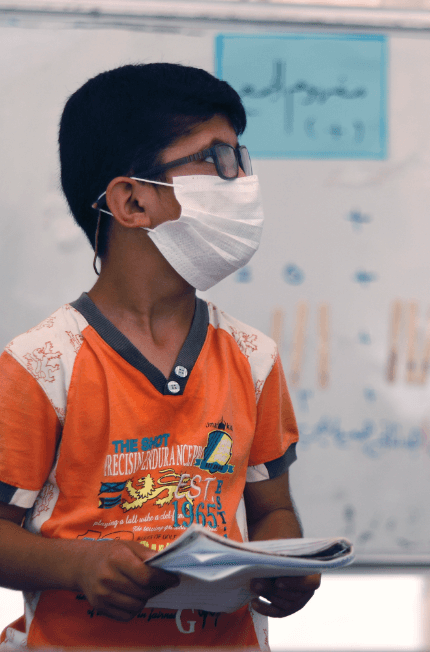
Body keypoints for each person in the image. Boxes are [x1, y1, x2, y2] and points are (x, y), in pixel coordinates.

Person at [0, 63, 319, 647]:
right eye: (215, 160)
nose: (240, 179)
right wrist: (76, 566)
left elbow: (273, 508)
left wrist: (285, 564)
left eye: (241, 159)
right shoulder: (40, 364)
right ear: (131, 201)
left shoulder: (253, 357)